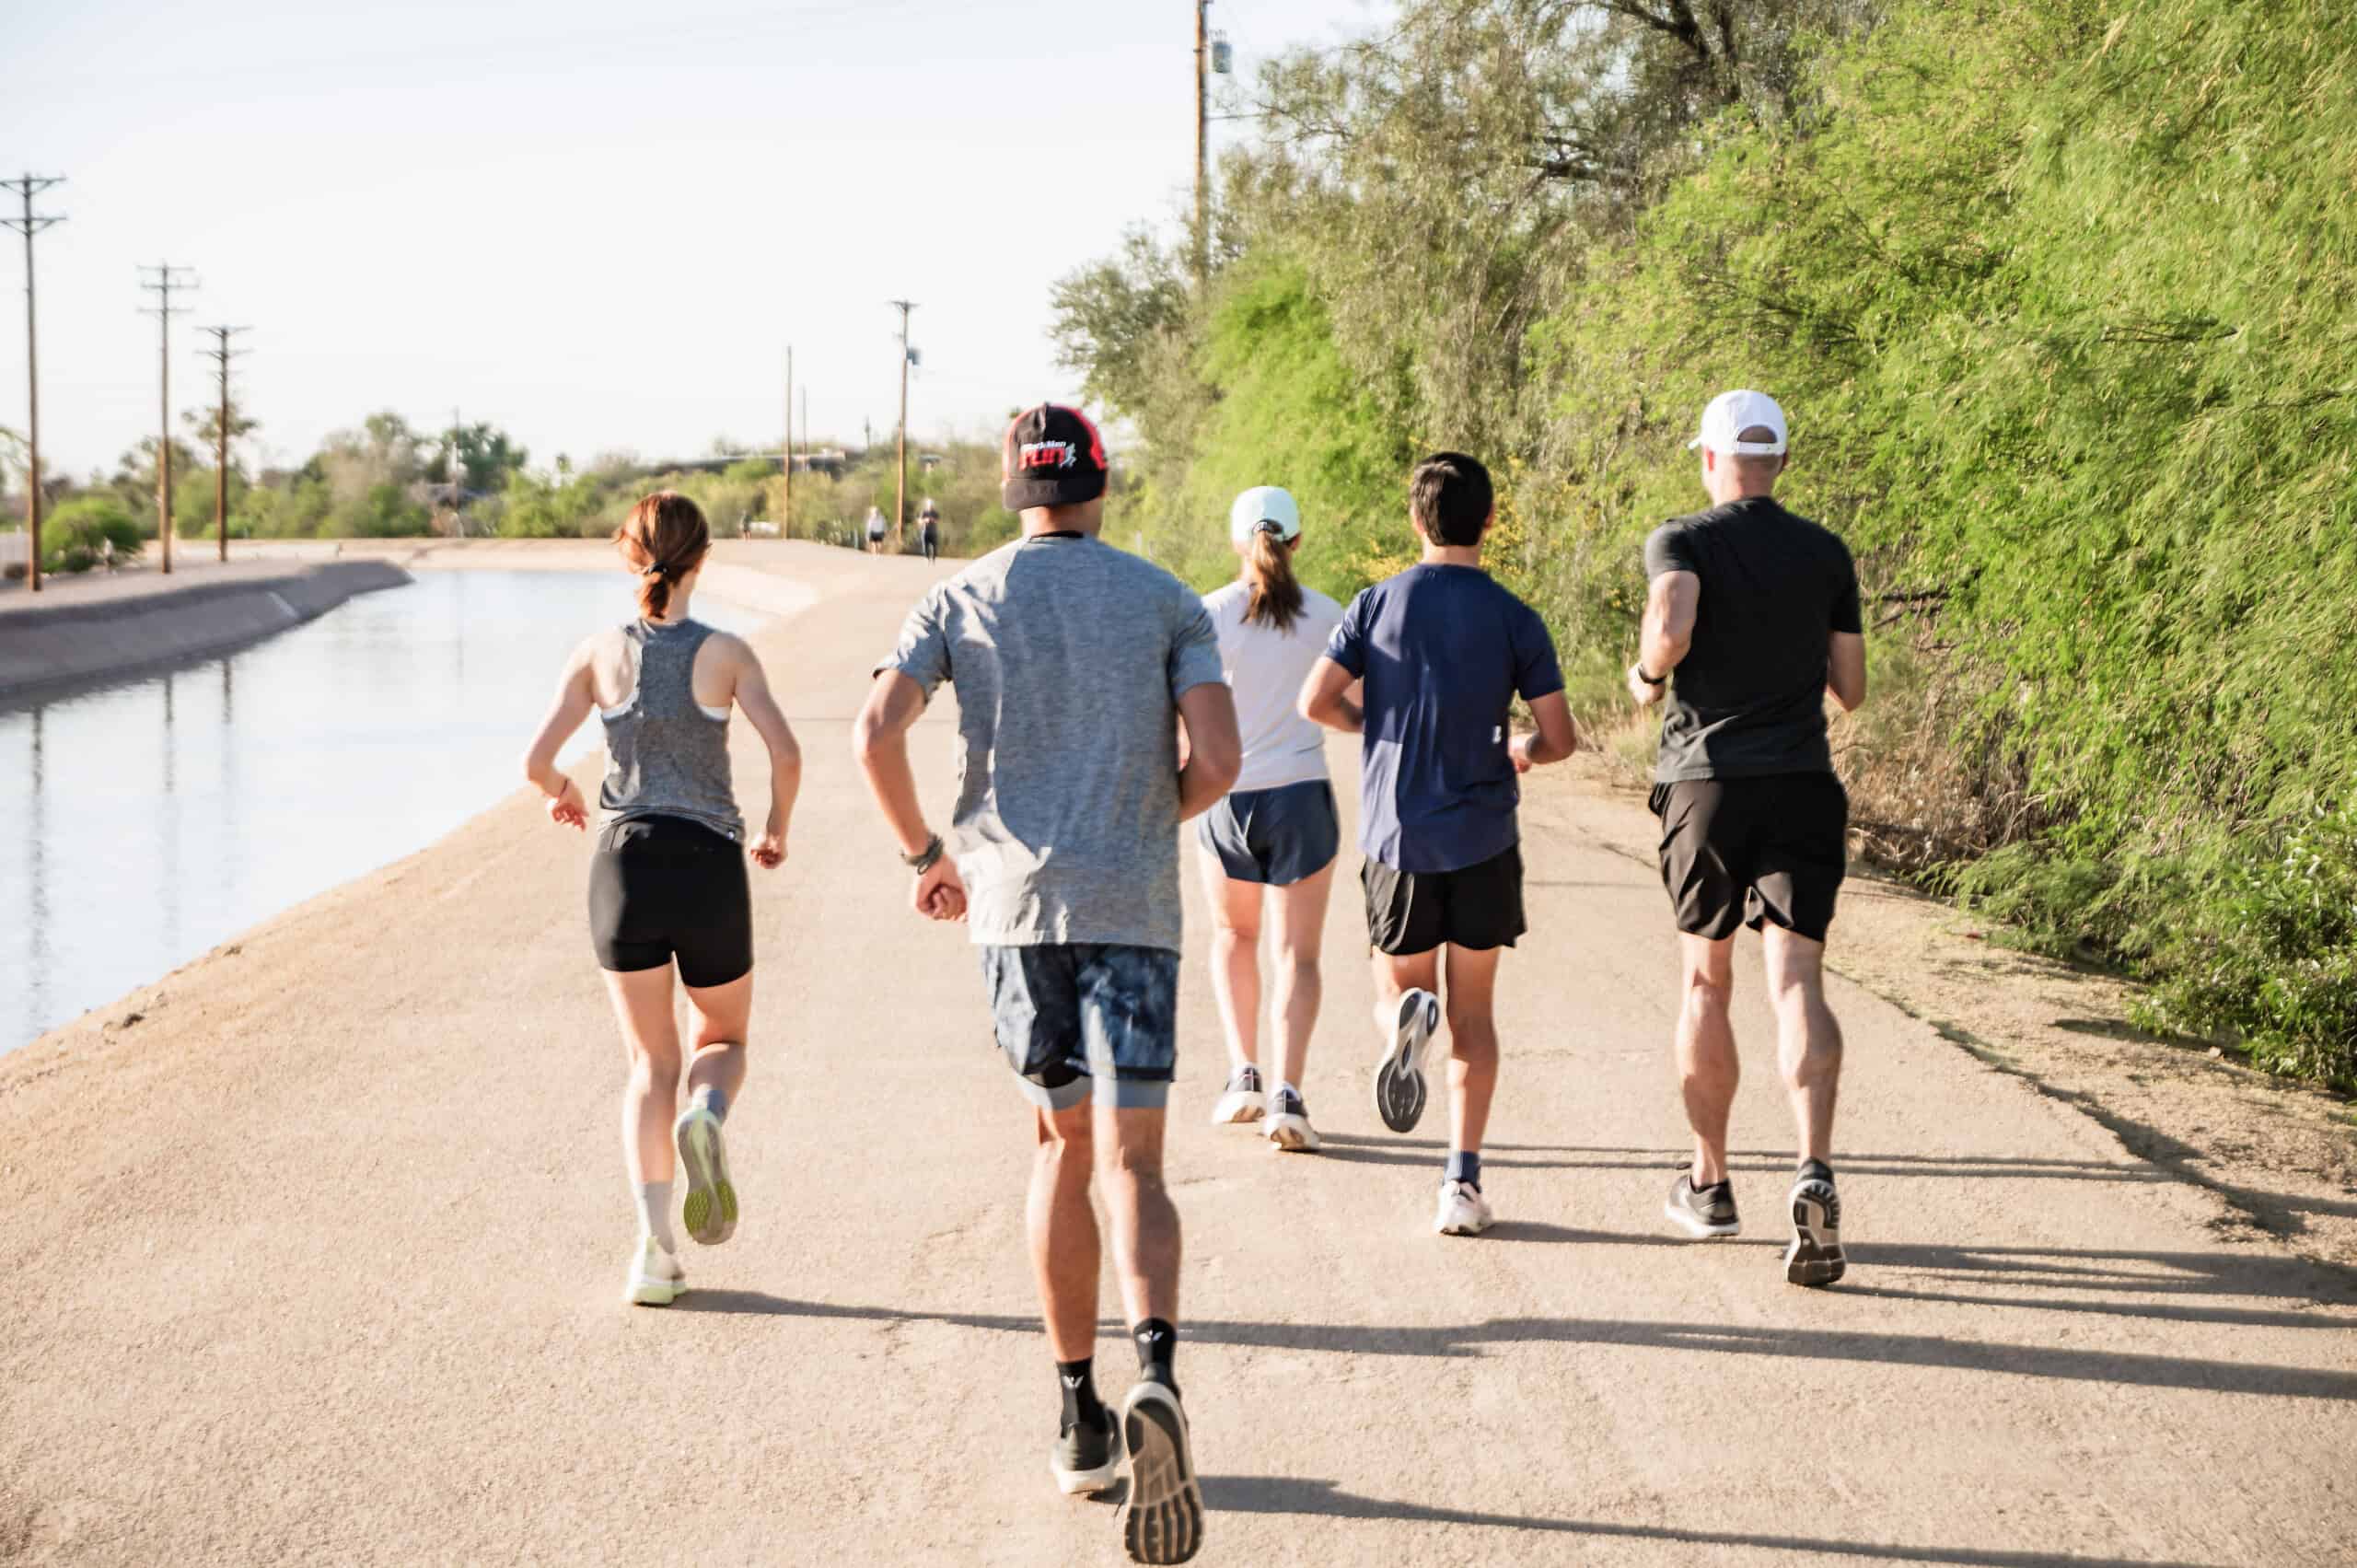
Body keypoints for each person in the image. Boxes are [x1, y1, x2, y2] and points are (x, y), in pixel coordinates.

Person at [854, 404, 1237, 1565]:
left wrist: (930, 855)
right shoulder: (1167, 597)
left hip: (1017, 917)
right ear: (1100, 485)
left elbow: (876, 729)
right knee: (1137, 1161)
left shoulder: (958, 594)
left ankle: (1079, 1415)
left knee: (1058, 1149)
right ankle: (1156, 1366)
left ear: (1015, 490)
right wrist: (1141, 819)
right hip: (1134, 913)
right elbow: (1218, 759)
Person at [520, 493, 801, 1307]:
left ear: (627, 554)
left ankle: (653, 1250)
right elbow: (785, 752)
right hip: (709, 863)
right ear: (703, 559)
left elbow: (536, 759)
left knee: (649, 1063)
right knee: (723, 1038)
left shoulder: (597, 652)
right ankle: (707, 1113)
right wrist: (776, 826)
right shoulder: (728, 653)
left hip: (622, 865)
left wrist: (560, 793)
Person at [1301, 453, 1577, 1237]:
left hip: (1400, 837)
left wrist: (1373, 726)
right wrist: (1520, 745)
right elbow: (1560, 737)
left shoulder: (1375, 603)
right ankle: (1461, 1183)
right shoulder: (1517, 617)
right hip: (1485, 837)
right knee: (1477, 1018)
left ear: (1416, 521)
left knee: (1400, 988)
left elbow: (1313, 699)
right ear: (1489, 521)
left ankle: (1402, 1023)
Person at [1630, 389, 1865, 1288]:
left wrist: (1650, 672)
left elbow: (1672, 620)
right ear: (1780, 461)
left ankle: (1711, 1183)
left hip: (1708, 783)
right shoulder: (1825, 551)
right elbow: (1851, 687)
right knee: (1797, 978)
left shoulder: (1682, 539)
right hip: (1802, 781)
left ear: (1708, 459)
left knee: (1704, 977)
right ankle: (1812, 1167)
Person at [1198, 486, 1345, 1152]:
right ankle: (1288, 1092)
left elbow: (1182, 713)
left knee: (1233, 934)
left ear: (1237, 541)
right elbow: (1361, 705)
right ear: (1298, 542)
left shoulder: (1206, 616)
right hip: (1301, 795)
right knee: (1299, 955)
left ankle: (1243, 1074)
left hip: (1226, 795)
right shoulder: (1331, 617)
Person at [917, 500, 942, 564]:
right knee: (925, 546)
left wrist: (931, 520)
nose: (929, 506)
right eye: (928, 504)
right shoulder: (924, 512)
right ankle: (927, 558)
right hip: (925, 531)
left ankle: (934, 559)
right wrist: (924, 520)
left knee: (935, 546)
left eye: (930, 505)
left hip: (933, 531)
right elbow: (919, 521)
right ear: (927, 505)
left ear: (932, 505)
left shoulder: (935, 513)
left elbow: (938, 521)